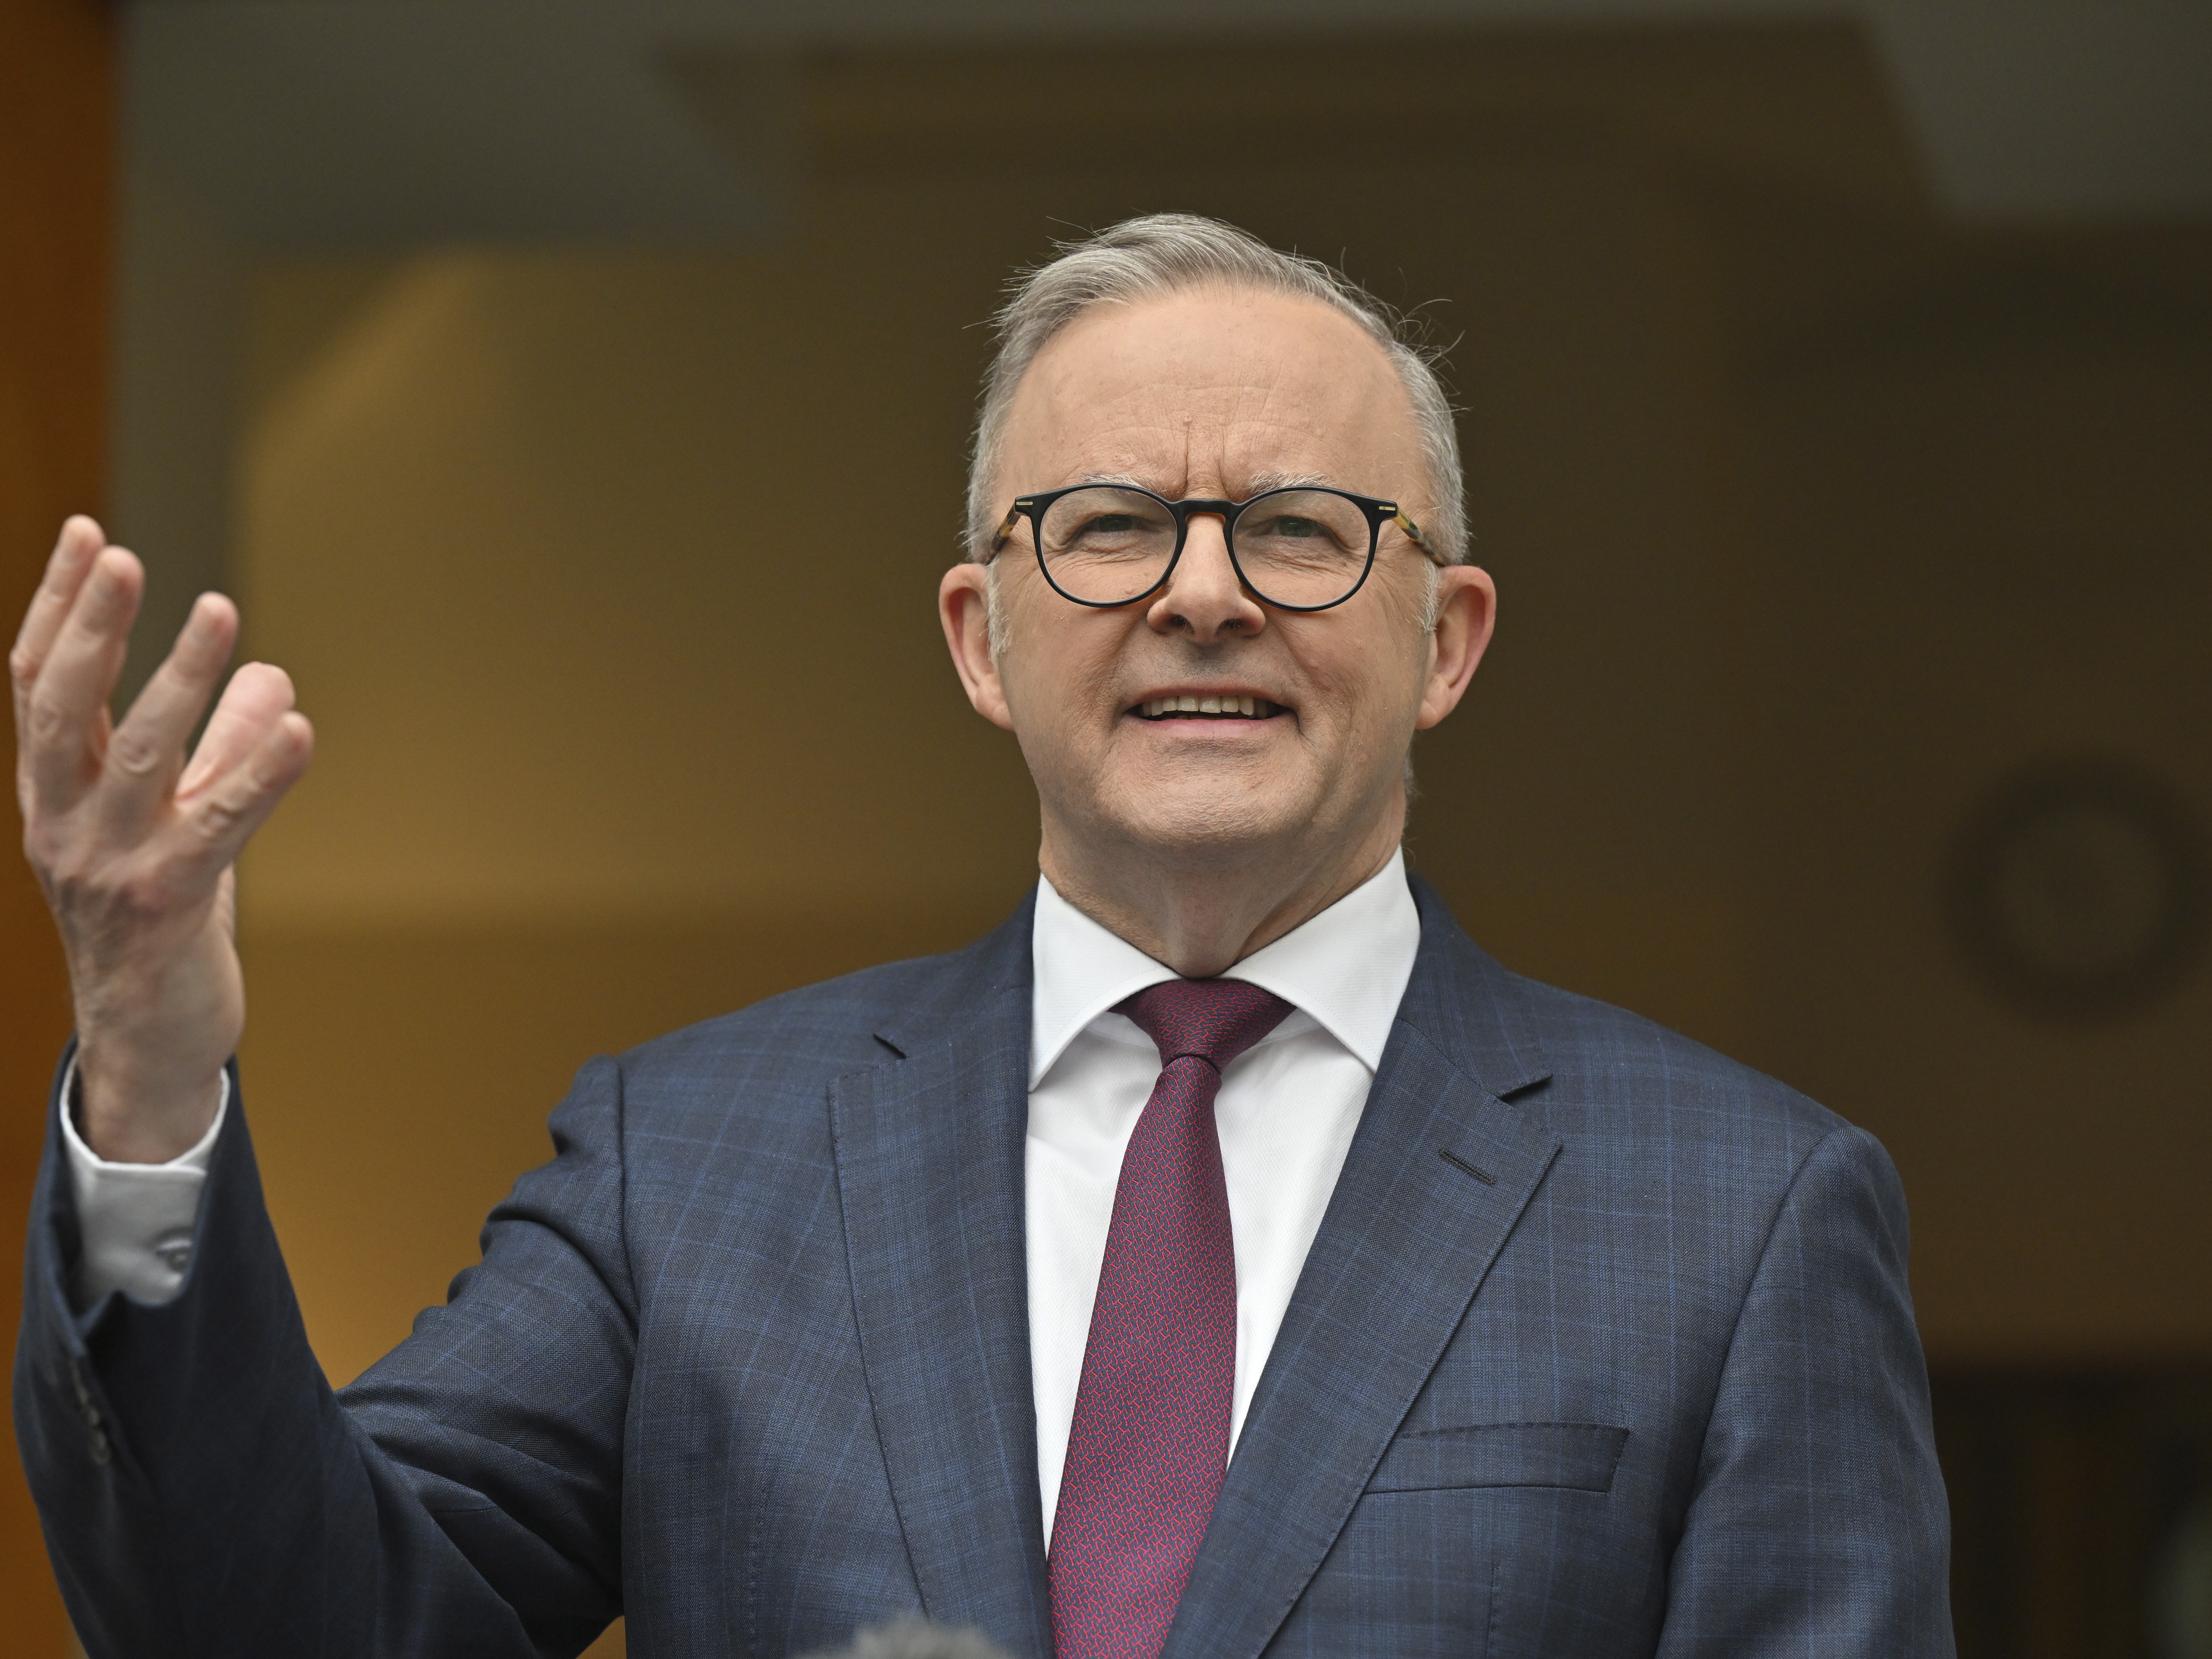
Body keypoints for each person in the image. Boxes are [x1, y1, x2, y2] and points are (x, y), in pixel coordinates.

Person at [13, 216, 1952, 1657]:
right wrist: (152, 1074)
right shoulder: (692, 1164)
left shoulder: (1741, 1214)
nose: (1204, 594)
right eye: (1107, 526)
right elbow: (281, 1624)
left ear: (1445, 642)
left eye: (1303, 527)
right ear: (981, 639)